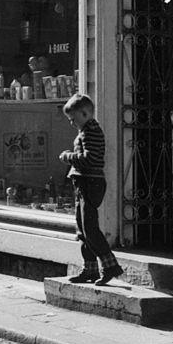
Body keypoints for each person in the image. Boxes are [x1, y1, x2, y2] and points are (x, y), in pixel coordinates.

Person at [59, 93, 124, 287]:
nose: (72, 123)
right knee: (82, 229)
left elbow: (90, 159)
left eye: (73, 119)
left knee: (90, 228)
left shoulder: (91, 132)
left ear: (85, 113)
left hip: (90, 183)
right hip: (83, 182)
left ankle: (110, 266)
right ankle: (90, 269)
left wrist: (68, 157)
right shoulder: (85, 130)